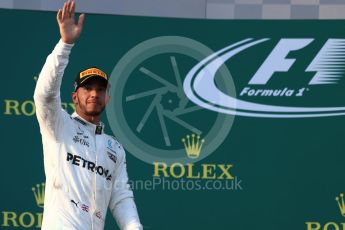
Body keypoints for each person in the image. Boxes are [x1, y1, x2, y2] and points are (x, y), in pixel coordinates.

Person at [34, 1, 143, 229]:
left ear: (108, 98)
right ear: (75, 96)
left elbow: (121, 198)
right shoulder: (59, 125)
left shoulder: (115, 149)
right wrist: (65, 45)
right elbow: (44, 96)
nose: (94, 94)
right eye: (88, 89)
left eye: (100, 90)